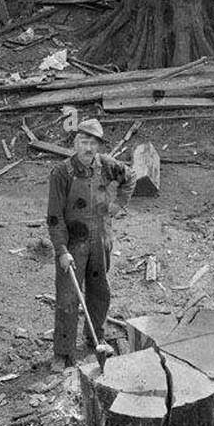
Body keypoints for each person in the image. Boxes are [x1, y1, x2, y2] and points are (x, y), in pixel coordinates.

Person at [45, 119, 137, 367]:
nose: (88, 148)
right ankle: (63, 353)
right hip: (73, 243)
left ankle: (94, 336)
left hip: (101, 239)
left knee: (99, 292)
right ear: (75, 143)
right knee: (67, 298)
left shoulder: (106, 165)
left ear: (98, 146)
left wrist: (117, 205)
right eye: (83, 142)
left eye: (93, 143)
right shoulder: (61, 173)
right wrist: (61, 250)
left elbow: (130, 177)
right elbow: (54, 216)